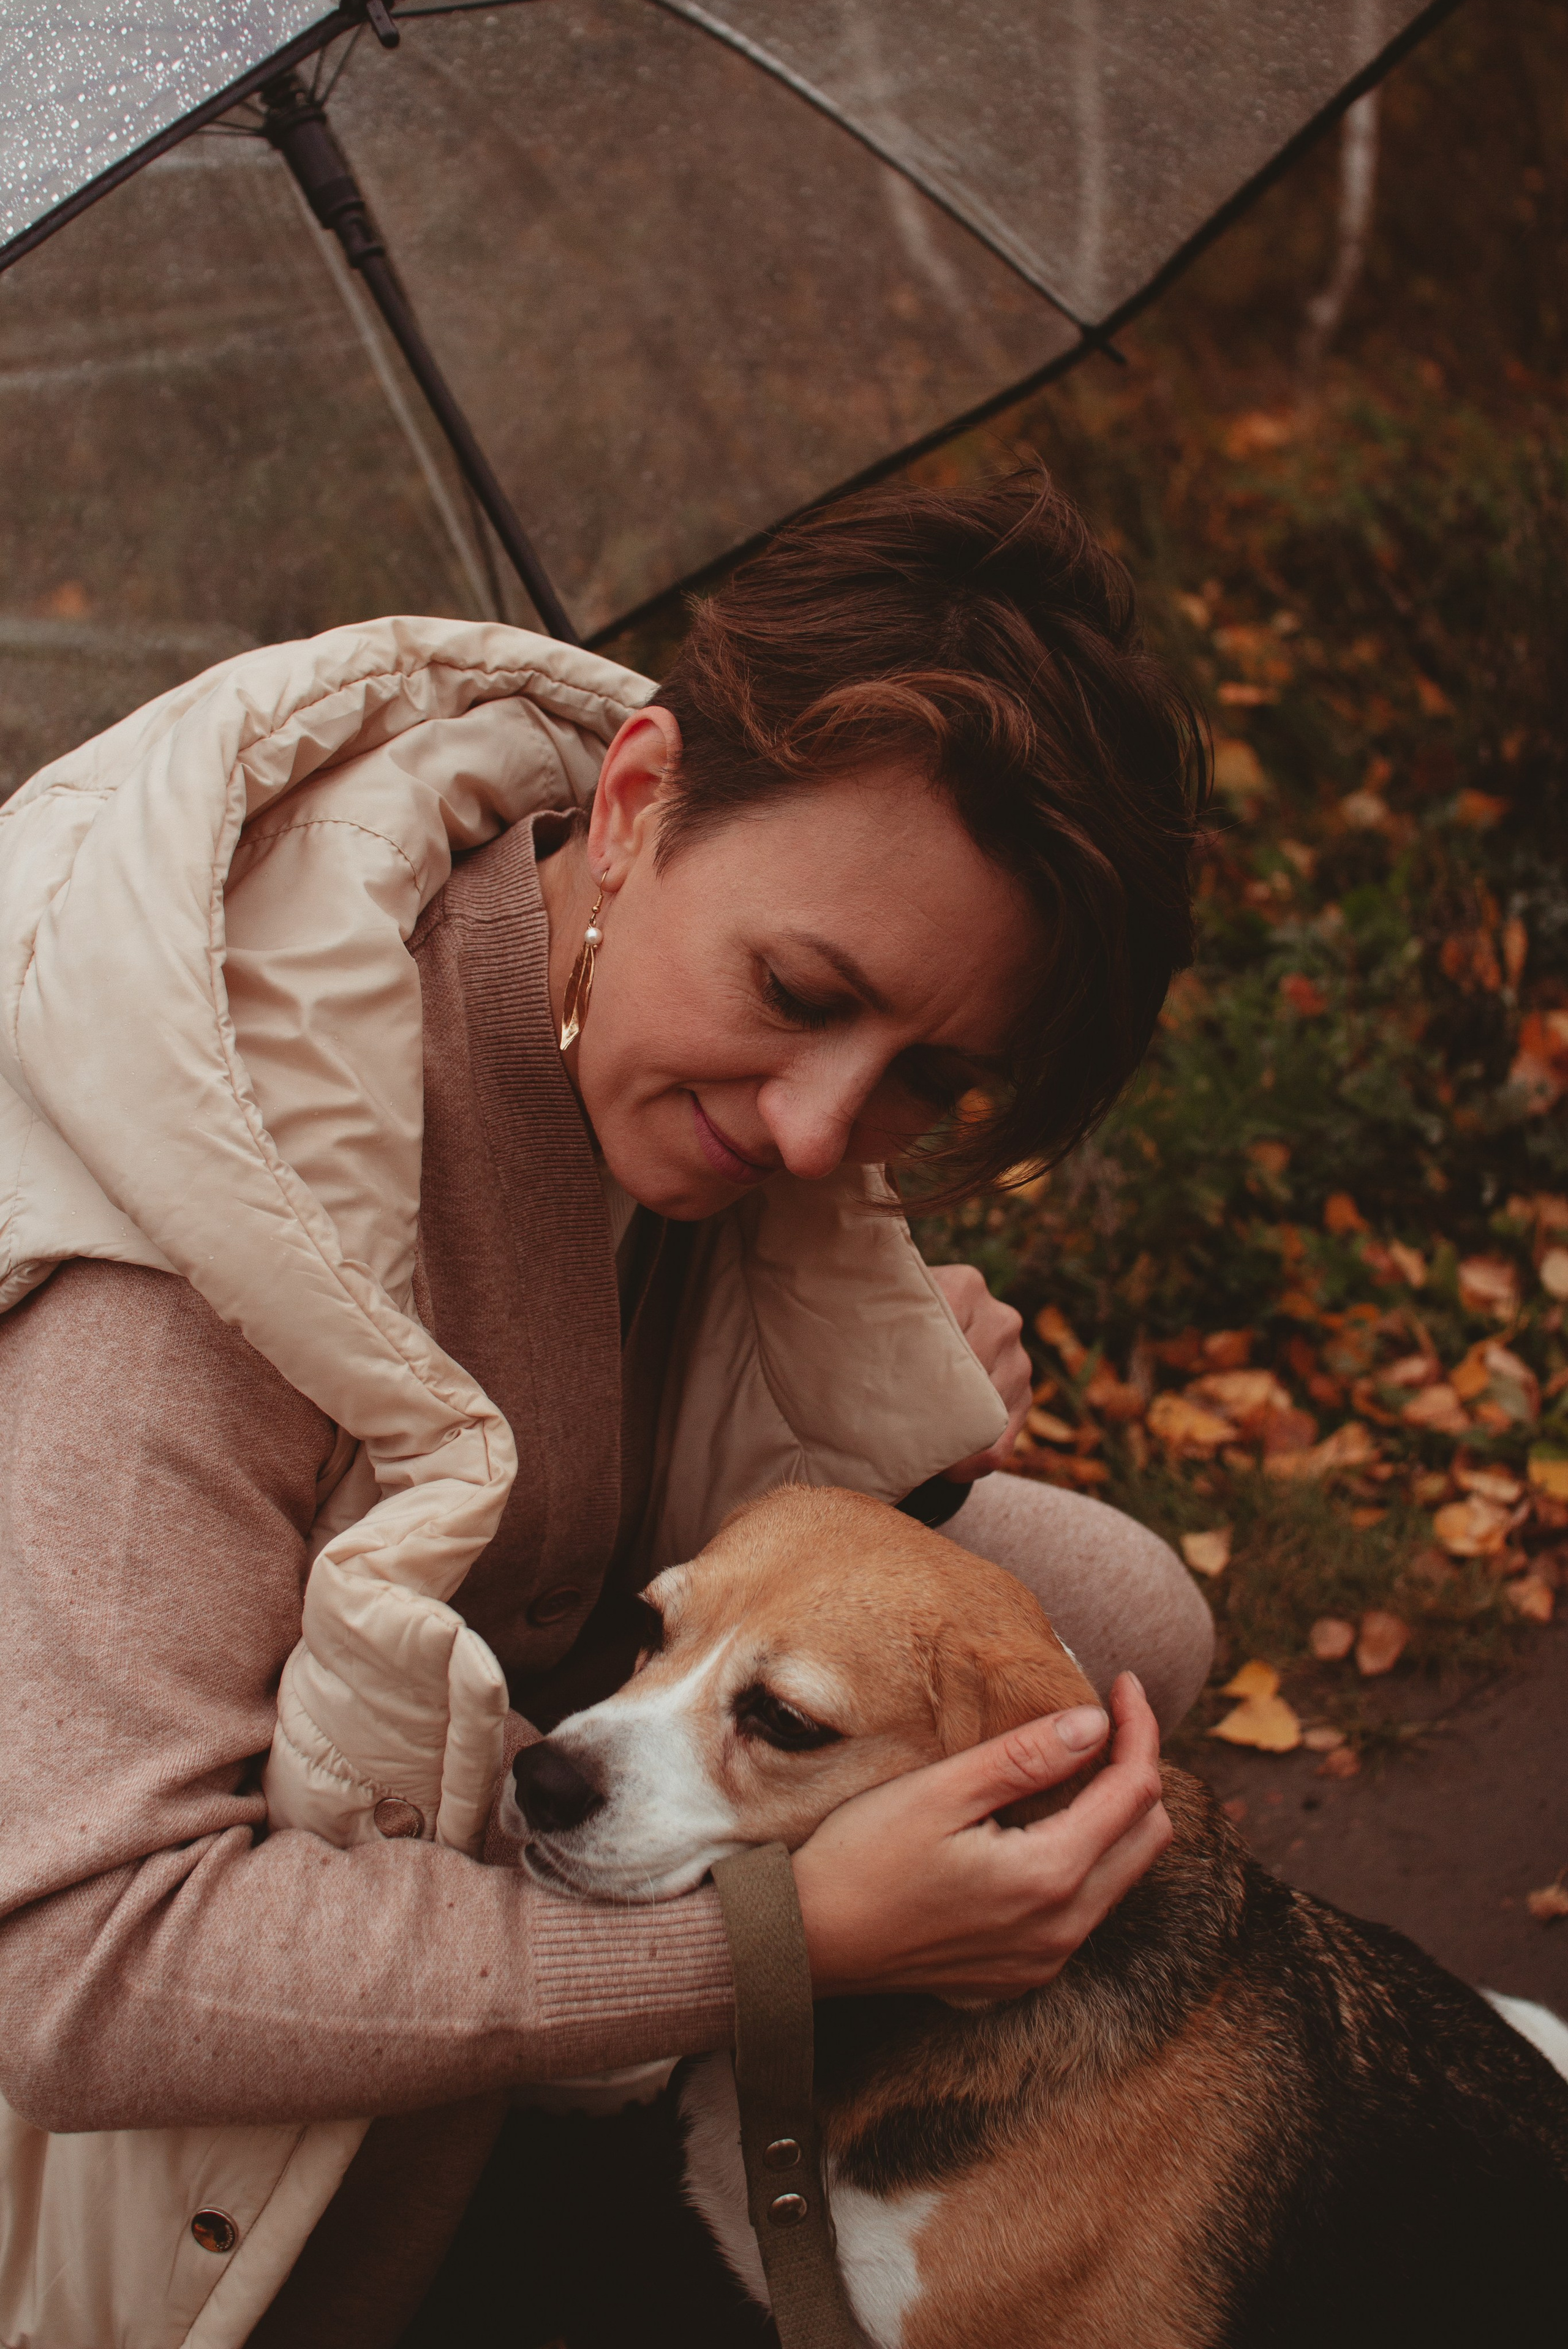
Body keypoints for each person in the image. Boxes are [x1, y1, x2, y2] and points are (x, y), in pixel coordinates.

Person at [0, 472, 1213, 2347]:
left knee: (1109, 1633)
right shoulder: (204, 1214)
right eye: (803, 994)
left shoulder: (661, 1047)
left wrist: (886, 1416)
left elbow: (615, 1505)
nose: (822, 1134)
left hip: (470, 1744)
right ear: (636, 805)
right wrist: (772, 1952)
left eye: (926, 1084)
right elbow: (73, 1968)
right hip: (123, 2078)